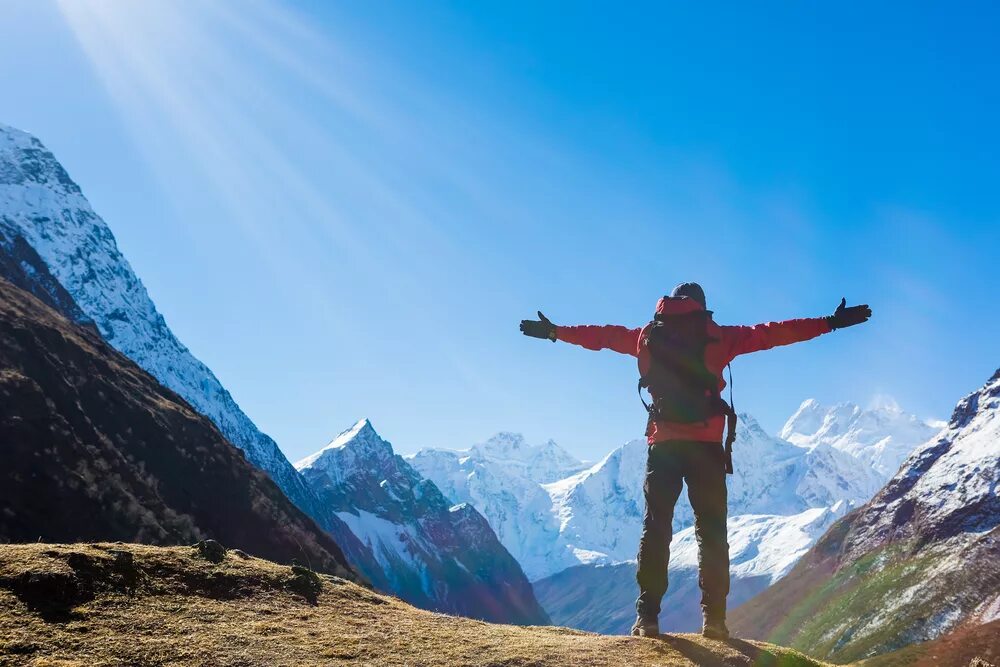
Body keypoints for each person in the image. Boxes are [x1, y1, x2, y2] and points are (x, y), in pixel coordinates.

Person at [519, 282, 871, 640]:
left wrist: (555, 332)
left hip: (664, 445)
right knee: (711, 534)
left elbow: (604, 337)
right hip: (705, 447)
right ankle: (715, 622)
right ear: (702, 308)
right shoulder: (719, 336)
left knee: (656, 530)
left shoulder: (646, 336)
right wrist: (829, 322)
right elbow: (774, 333)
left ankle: (648, 619)